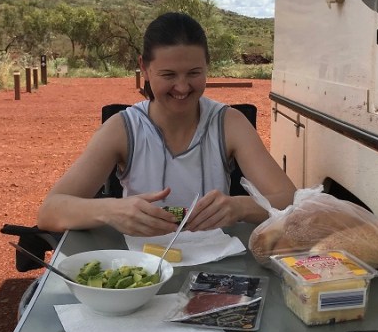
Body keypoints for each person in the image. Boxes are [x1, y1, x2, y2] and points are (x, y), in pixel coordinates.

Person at [37, 12, 296, 236]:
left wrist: (240, 207)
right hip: (142, 266)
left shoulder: (229, 123)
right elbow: (50, 211)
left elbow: (292, 202)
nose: (182, 87)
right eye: (168, 75)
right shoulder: (123, 129)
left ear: (207, 65)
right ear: (144, 68)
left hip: (215, 264)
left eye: (194, 73)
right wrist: (111, 210)